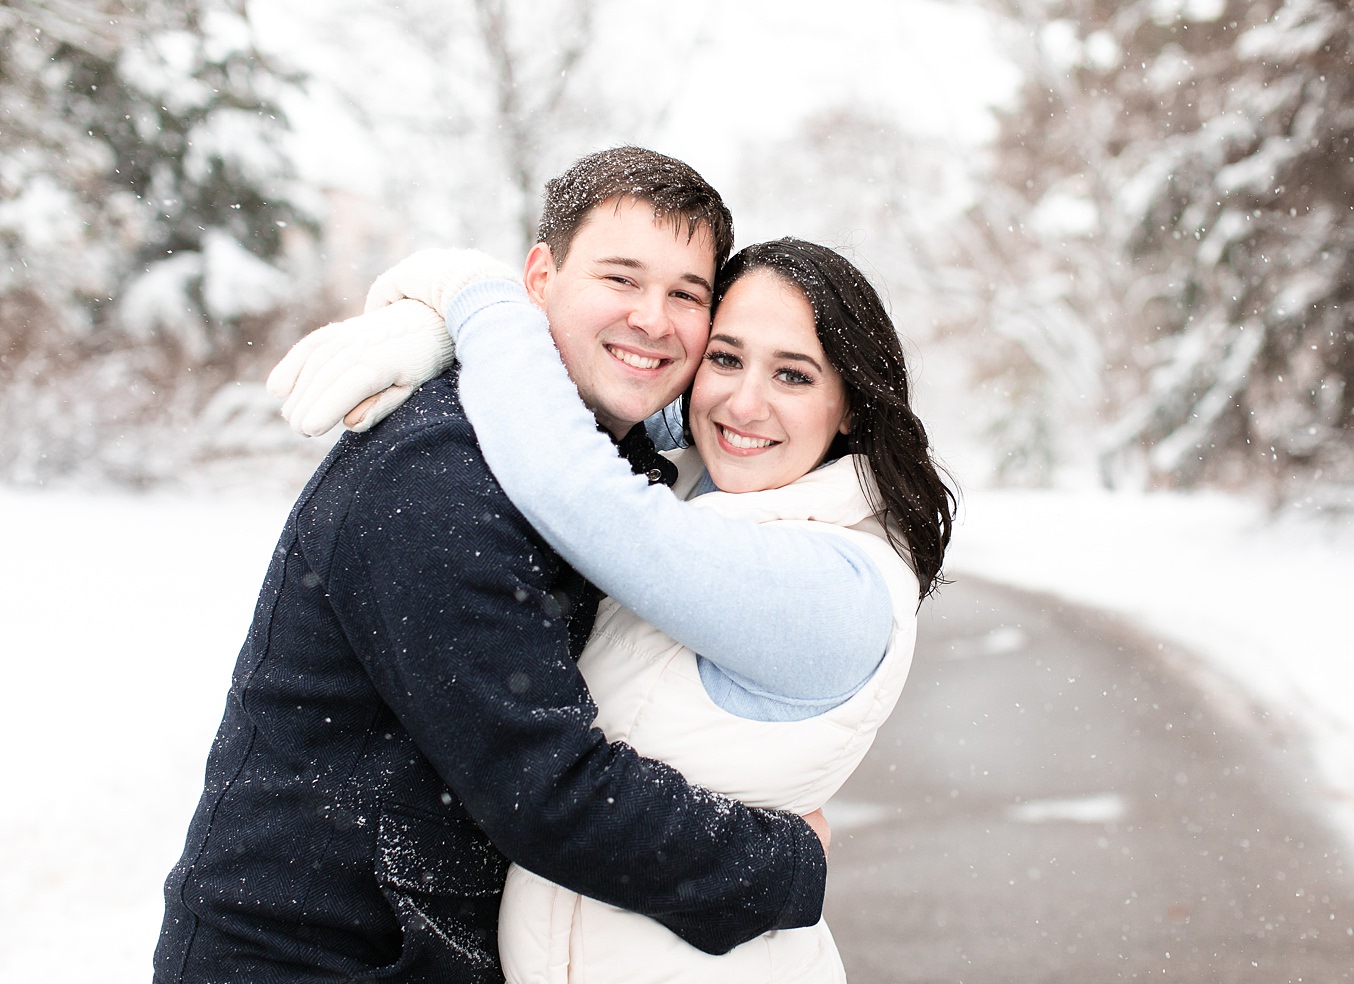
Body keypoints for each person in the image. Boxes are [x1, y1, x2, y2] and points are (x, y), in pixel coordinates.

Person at [153, 148, 833, 984]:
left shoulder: (602, 464)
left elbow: (741, 424)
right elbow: (544, 791)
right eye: (620, 279)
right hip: (302, 957)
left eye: (685, 295)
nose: (654, 320)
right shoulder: (440, 471)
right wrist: (785, 862)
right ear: (539, 278)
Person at [273, 237, 956, 981]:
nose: (744, 402)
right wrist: (439, 337)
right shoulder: (726, 486)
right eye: (724, 359)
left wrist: (476, 295)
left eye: (793, 374)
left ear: (851, 403)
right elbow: (604, 386)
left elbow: (575, 487)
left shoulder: (832, 589)